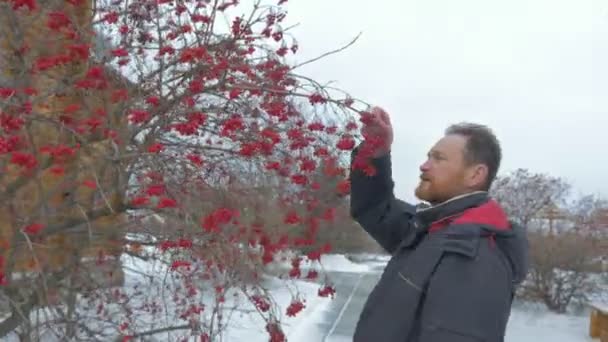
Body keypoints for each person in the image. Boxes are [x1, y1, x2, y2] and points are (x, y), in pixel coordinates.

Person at [349, 107, 529, 342]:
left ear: (475, 175)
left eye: (438, 158)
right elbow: (375, 208)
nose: (424, 165)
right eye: (428, 156)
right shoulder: (432, 230)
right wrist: (375, 149)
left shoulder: (471, 255)